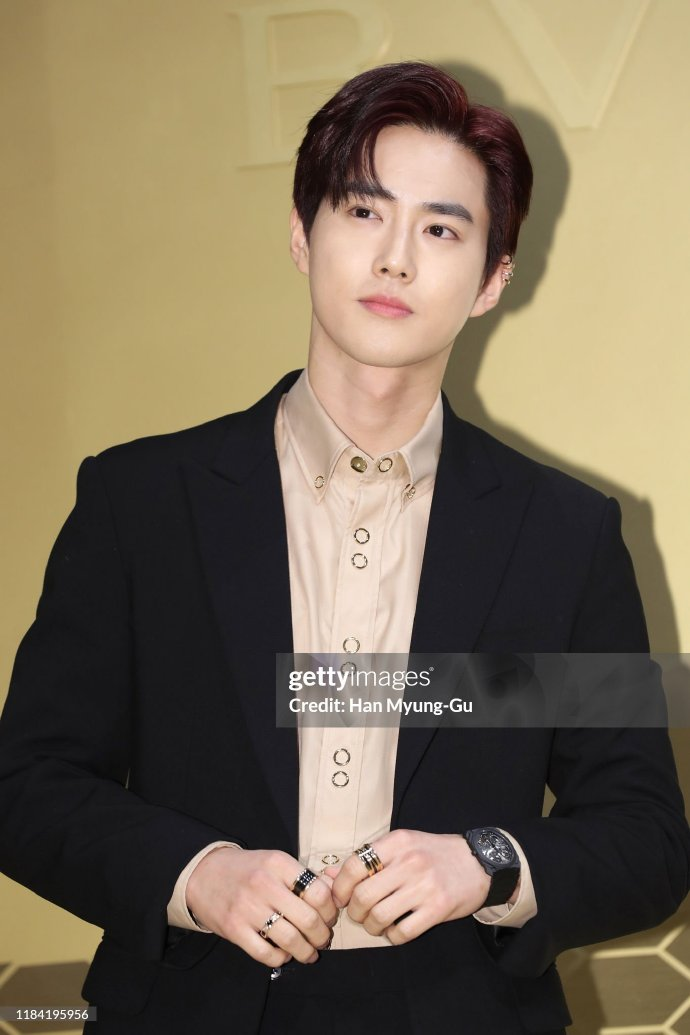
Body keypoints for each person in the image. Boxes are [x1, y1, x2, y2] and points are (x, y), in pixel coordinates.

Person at [0, 61, 688, 1035]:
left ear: (493, 280)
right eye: (364, 212)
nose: (396, 259)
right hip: (193, 1005)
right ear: (302, 232)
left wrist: (485, 863)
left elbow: (647, 836)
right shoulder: (140, 502)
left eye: (442, 229)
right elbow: (27, 784)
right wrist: (199, 874)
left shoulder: (566, 535)